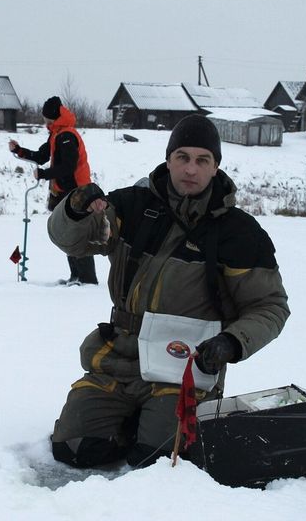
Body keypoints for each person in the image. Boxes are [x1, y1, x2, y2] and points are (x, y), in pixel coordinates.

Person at [46, 114, 290, 469]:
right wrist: (73, 208)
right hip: (119, 358)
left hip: (186, 368)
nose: (191, 169)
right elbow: (70, 240)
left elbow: (270, 306)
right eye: (183, 158)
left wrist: (233, 342)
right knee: (73, 449)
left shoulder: (240, 233)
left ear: (216, 166)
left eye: (202, 160)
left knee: (158, 461)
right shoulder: (130, 206)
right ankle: (129, 419)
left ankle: (152, 424)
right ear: (169, 159)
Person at [9, 96, 98, 285]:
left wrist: (43, 174)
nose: (43, 122)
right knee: (67, 235)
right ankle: (76, 276)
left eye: (45, 118)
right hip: (65, 193)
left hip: (77, 192)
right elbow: (42, 156)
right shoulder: (56, 134)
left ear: (52, 117)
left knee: (77, 236)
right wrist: (19, 151)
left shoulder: (67, 136)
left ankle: (87, 280)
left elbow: (68, 167)